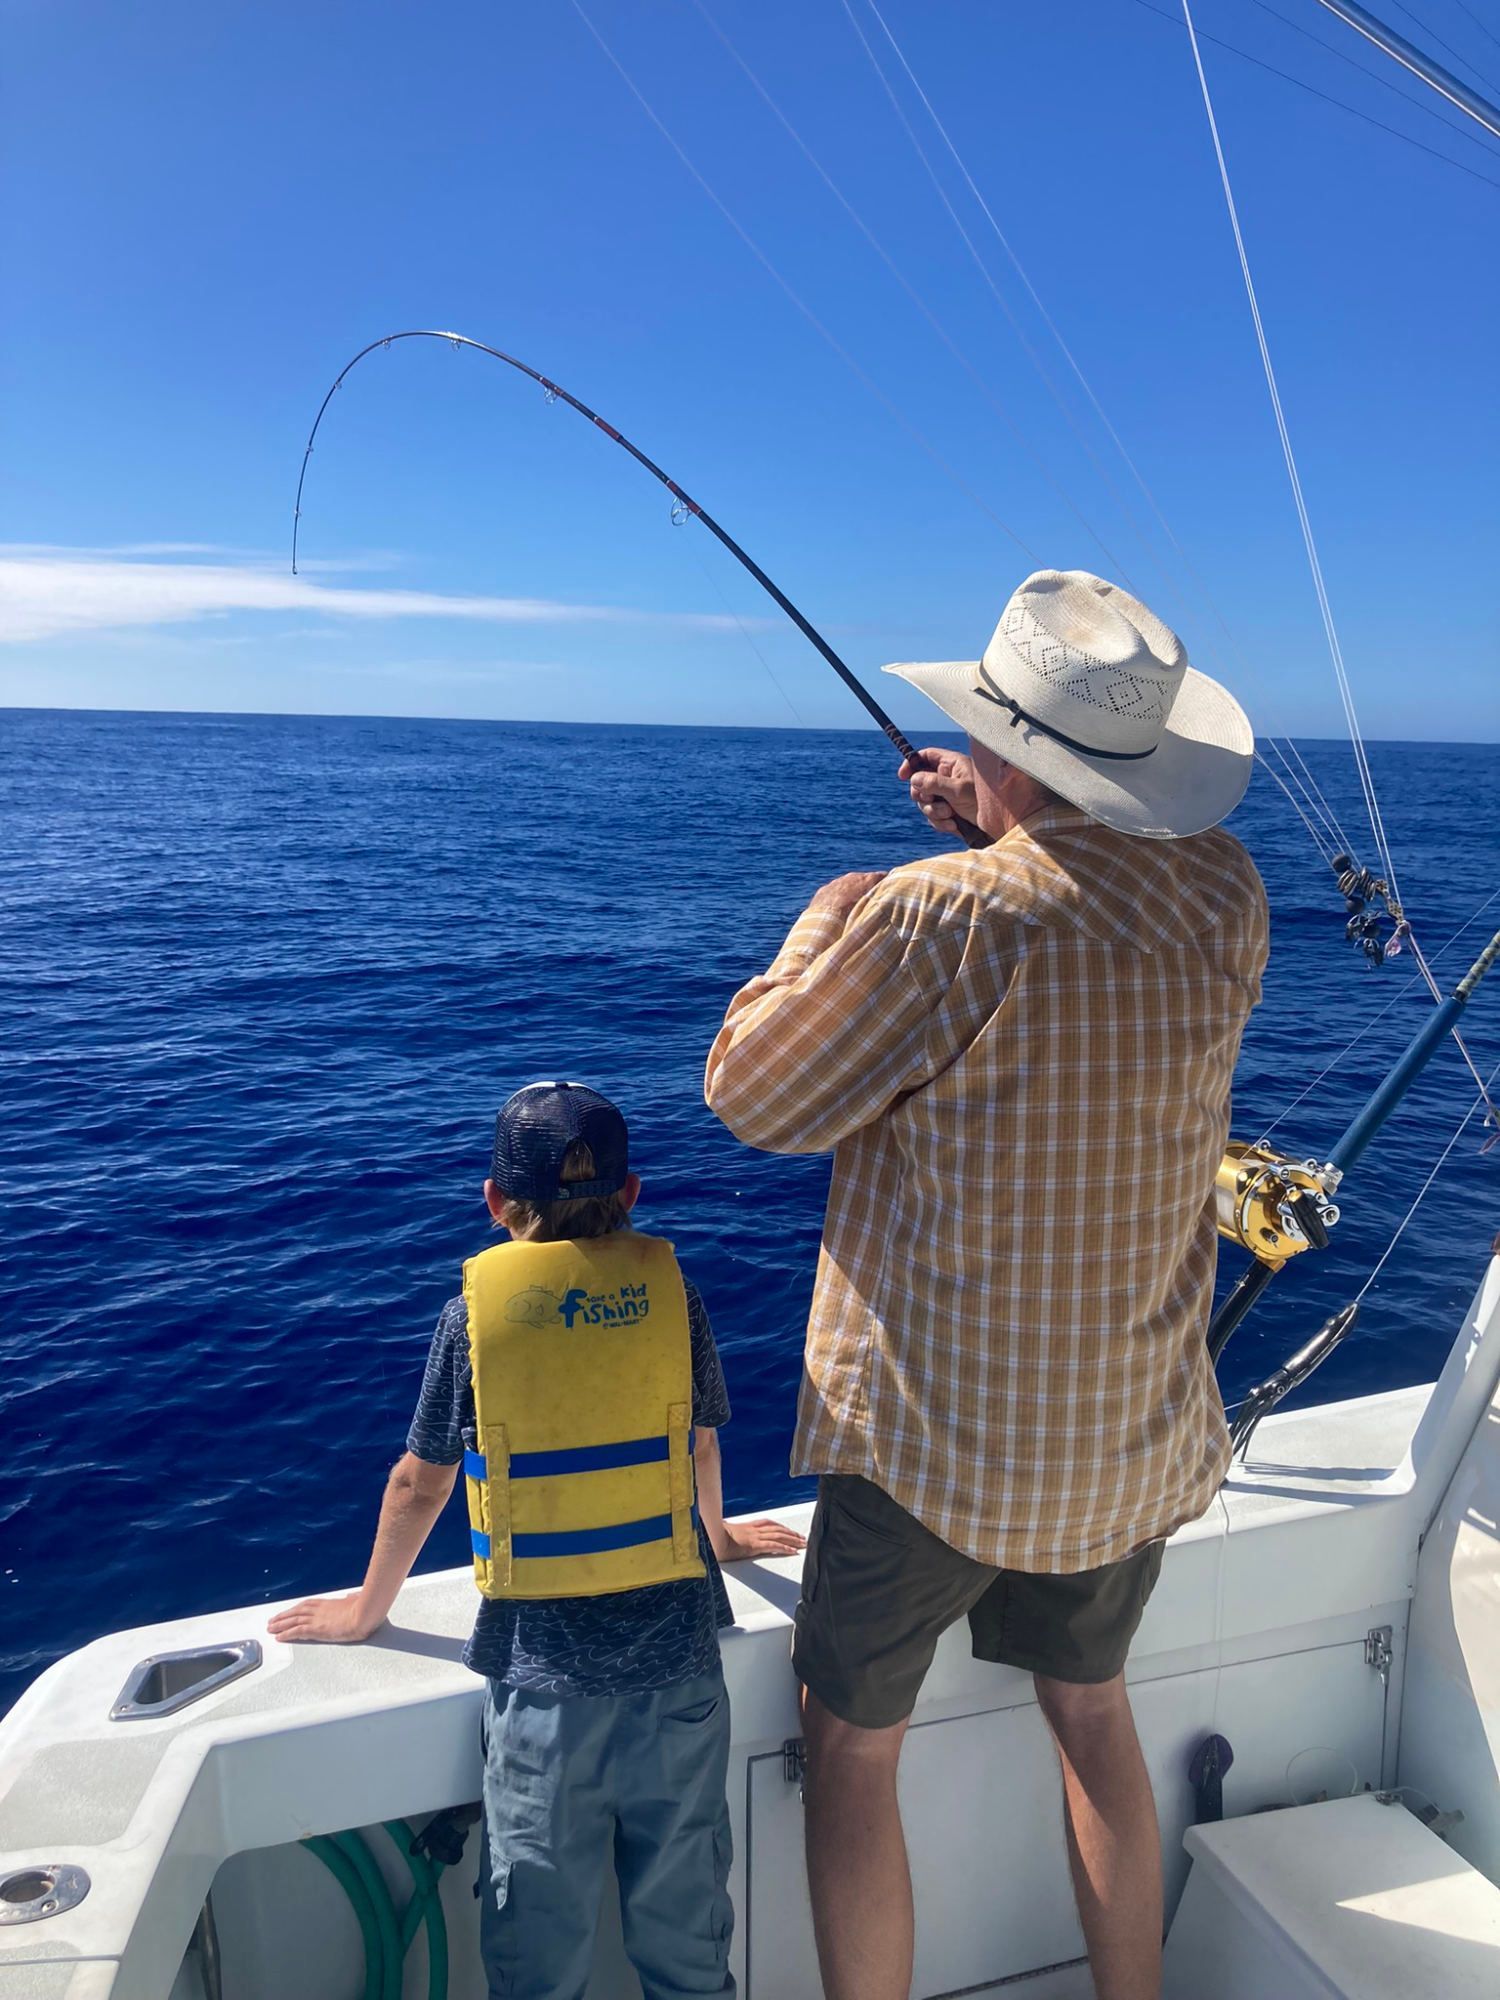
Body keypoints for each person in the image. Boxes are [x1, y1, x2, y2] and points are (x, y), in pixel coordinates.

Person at [704, 571, 1268, 2000]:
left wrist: (835, 916)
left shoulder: (931, 916)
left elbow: (754, 1100)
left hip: (930, 1449)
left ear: (1003, 743)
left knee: (848, 1746)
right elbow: (1084, 895)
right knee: (1092, 1716)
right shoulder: (1227, 892)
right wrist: (1007, 817)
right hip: (1126, 1435)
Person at [270, 1080, 803, 2000]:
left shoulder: (468, 1321)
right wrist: (715, 1539)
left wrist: (368, 1610)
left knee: (537, 1948)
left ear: (493, 1200)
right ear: (634, 1196)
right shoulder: (676, 1297)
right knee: (686, 1940)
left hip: (544, 1691)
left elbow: (420, 1482)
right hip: (679, 1674)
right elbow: (698, 1442)